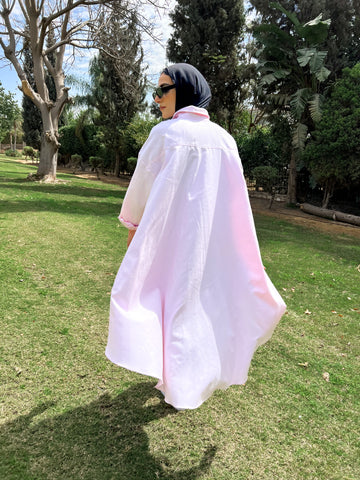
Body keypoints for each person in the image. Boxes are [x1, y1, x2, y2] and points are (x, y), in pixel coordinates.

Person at [106, 63, 286, 410]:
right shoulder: (225, 139)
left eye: (163, 90)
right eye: (155, 91)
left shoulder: (164, 135)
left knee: (168, 305)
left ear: (185, 91)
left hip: (168, 241)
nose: (156, 98)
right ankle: (181, 381)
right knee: (199, 306)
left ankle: (180, 385)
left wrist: (132, 226)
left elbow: (142, 184)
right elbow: (236, 200)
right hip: (210, 241)